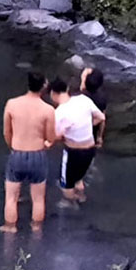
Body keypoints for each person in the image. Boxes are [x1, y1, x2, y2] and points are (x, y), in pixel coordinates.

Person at [0, 72, 56, 234]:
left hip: (17, 153)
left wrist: (13, 146)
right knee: (38, 199)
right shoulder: (48, 110)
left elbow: (6, 131)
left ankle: (10, 228)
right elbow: (50, 138)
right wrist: (44, 145)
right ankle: (36, 230)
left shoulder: (12, 104)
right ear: (44, 86)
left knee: (11, 198)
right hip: (37, 154)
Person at [49, 77, 105, 206]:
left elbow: (55, 136)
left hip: (74, 153)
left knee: (66, 185)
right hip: (90, 150)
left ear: (53, 93)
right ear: (67, 89)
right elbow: (101, 117)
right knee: (79, 179)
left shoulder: (59, 113)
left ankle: (72, 206)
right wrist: (84, 126)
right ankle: (82, 198)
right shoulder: (83, 100)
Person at [80, 68, 107, 147]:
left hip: (79, 130)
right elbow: (102, 120)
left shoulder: (81, 96)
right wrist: (100, 137)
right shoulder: (102, 99)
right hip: (91, 133)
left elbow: (85, 72)